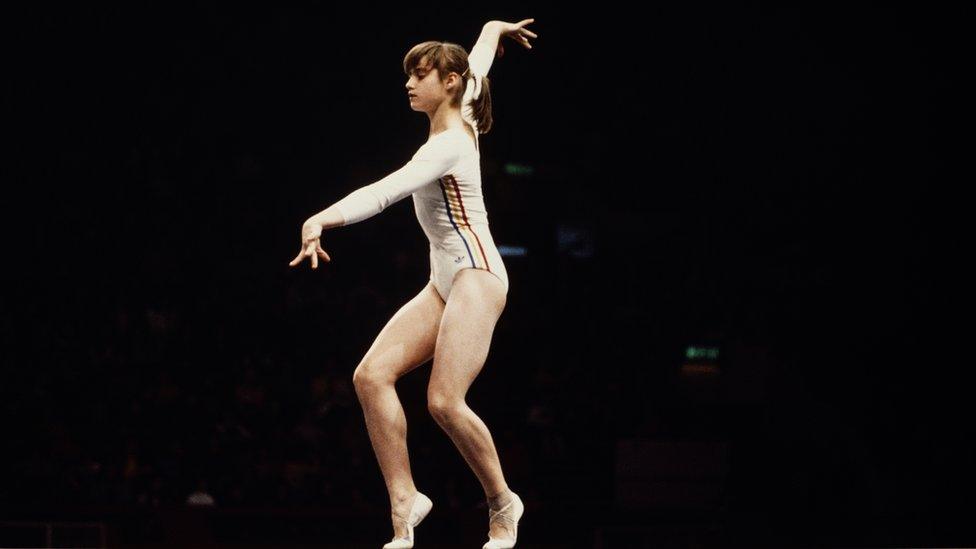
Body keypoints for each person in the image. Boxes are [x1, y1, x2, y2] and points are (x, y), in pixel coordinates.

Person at [288, 18, 538, 549]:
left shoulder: (445, 145)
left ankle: (502, 503)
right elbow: (480, 59)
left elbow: (383, 192)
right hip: (444, 279)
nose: (409, 83)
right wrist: (493, 28)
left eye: (420, 74)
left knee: (445, 401)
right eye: (409, 75)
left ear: (448, 81)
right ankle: (406, 499)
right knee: (371, 376)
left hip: (478, 275)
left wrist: (321, 219)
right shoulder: (466, 97)